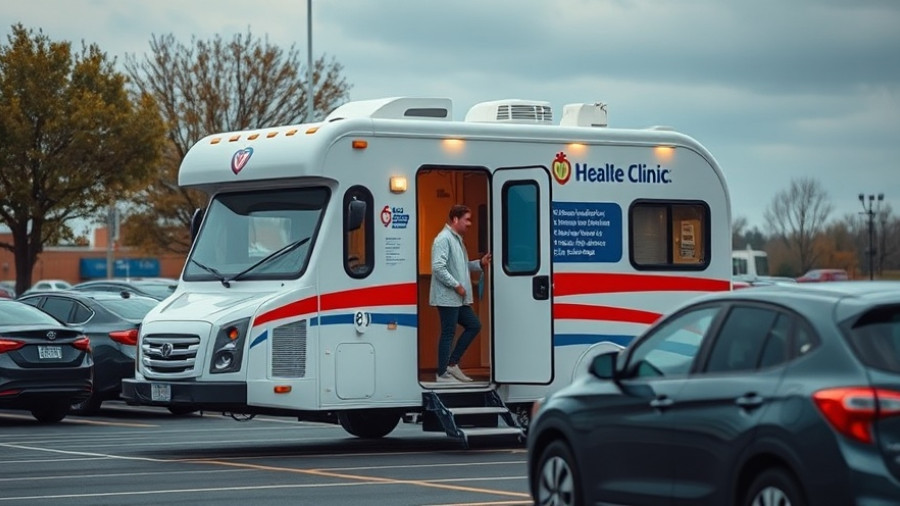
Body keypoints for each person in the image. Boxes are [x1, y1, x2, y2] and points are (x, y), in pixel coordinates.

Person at [430, 204, 491, 383]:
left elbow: (461, 267)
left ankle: (452, 364)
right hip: (448, 297)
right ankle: (442, 373)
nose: (469, 223)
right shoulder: (444, 239)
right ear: (455, 220)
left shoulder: (456, 240)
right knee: (448, 332)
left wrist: (480, 263)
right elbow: (438, 267)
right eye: (467, 219)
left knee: (474, 325)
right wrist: (456, 285)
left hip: (458, 299)